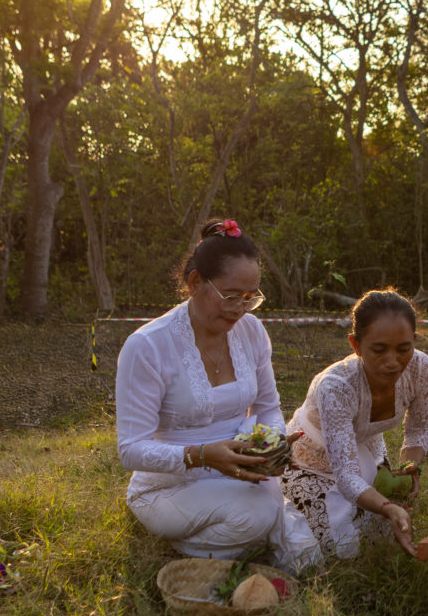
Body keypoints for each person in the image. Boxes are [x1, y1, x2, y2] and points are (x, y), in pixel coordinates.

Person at [115, 219, 321, 568]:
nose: (239, 309)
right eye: (229, 295)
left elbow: (269, 407)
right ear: (195, 283)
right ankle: (186, 552)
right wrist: (204, 456)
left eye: (249, 298)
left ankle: (215, 546)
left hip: (242, 471)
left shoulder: (252, 332)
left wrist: (270, 444)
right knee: (259, 516)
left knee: (306, 553)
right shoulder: (147, 346)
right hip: (168, 485)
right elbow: (130, 450)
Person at [282, 289, 428, 559]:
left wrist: (412, 466)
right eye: (379, 350)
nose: (392, 362)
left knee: (383, 539)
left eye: (403, 349)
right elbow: (347, 475)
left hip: (365, 449)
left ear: (414, 341)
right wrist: (387, 506)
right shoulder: (336, 385)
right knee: (324, 552)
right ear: (355, 345)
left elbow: (418, 428)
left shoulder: (421, 368)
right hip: (310, 459)